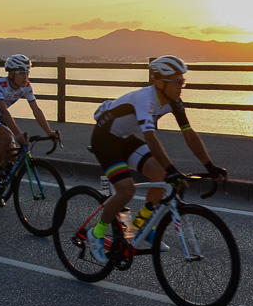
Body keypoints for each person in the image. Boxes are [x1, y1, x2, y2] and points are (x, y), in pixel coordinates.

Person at [84, 55, 228, 263]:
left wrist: (209, 166)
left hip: (125, 139)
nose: (181, 86)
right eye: (177, 82)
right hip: (105, 139)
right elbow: (150, 137)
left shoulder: (174, 102)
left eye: (183, 81)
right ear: (159, 83)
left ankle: (141, 226)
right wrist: (172, 170)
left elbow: (189, 134)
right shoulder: (145, 99)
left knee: (159, 176)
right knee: (127, 189)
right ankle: (96, 234)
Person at [0, 53, 62, 205]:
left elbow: (36, 110)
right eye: (21, 72)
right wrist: (18, 133)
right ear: (11, 74)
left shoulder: (26, 86)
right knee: (7, 136)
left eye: (27, 72)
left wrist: (49, 132)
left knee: (12, 155)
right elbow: (4, 111)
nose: (25, 76)